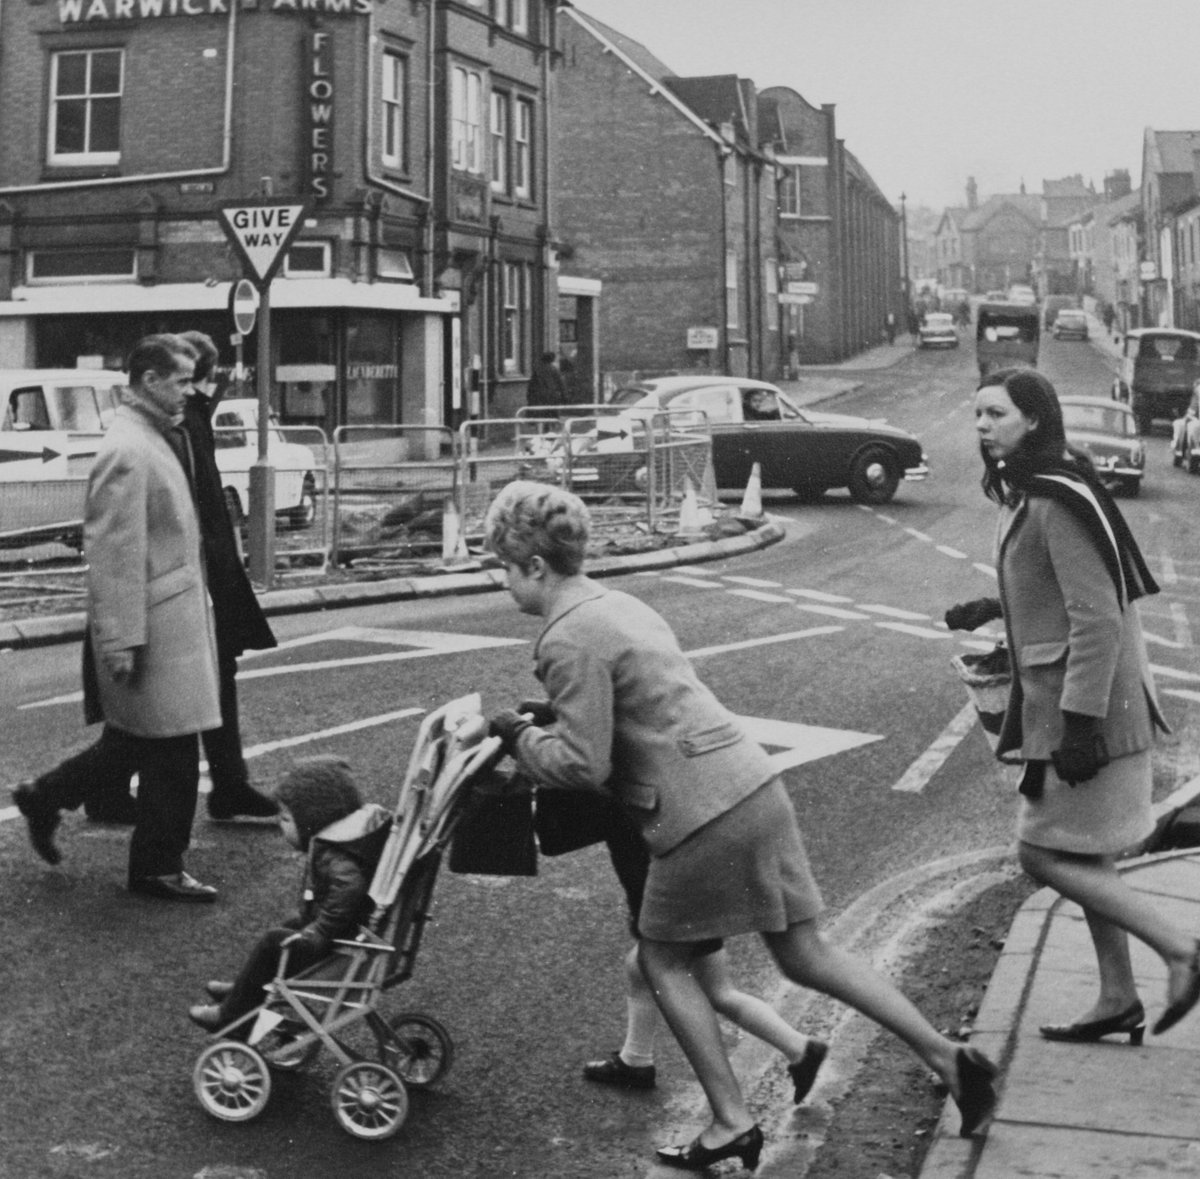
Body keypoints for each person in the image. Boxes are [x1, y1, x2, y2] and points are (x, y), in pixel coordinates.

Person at [484, 481, 997, 1171]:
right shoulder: (619, 604)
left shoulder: (565, 637)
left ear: (534, 566)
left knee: (664, 961)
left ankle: (730, 1120)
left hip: (696, 813)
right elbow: (647, 704)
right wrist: (558, 717)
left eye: (505, 568)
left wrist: (518, 735)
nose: (505, 583)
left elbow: (582, 764)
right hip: (752, 784)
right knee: (805, 953)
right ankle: (949, 1056)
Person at [947, 367, 1200, 1044]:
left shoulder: (1055, 498)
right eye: (978, 414)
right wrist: (995, 606)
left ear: (1034, 418)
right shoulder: (1038, 486)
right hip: (1072, 711)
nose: (983, 426)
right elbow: (1059, 591)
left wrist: (1082, 727)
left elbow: (1097, 618)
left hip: (1090, 715)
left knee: (1040, 853)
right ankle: (1117, 996)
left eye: (997, 413)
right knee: (1085, 857)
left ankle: (1181, 950)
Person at [12, 334, 223, 901]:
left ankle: (45, 795)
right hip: (154, 625)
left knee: (133, 742)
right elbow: (112, 554)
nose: (190, 391)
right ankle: (157, 866)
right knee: (173, 751)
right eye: (181, 380)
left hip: (168, 617)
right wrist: (121, 639)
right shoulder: (129, 449)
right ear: (149, 381)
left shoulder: (154, 434)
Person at [188, 756, 391, 1032]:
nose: (281, 825)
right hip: (349, 931)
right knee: (289, 926)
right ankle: (243, 992)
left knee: (273, 941)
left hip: (337, 938)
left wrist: (320, 930)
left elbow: (350, 887)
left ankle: (232, 1015)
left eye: (286, 818)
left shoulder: (333, 853)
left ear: (312, 820)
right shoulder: (340, 843)